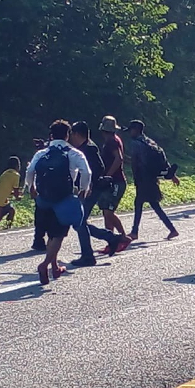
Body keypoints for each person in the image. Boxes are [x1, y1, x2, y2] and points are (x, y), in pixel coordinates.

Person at [26, 120, 91, 284]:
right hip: (62, 199)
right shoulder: (73, 153)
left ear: (51, 135)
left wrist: (31, 187)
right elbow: (86, 172)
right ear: (67, 135)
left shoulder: (42, 153)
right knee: (59, 235)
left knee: (50, 234)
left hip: (43, 199)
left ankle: (55, 267)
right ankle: (45, 264)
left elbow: (30, 170)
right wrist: (84, 189)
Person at [67, 121, 126, 267]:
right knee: (79, 222)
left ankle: (88, 256)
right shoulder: (84, 147)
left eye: (71, 135)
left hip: (91, 190)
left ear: (76, 134)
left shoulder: (89, 148)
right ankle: (111, 238)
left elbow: (99, 167)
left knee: (79, 221)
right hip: (89, 189)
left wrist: (89, 185)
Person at [125, 120, 180, 241]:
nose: (130, 133)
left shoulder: (135, 143)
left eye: (131, 130)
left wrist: (135, 177)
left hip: (143, 179)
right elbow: (163, 159)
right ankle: (172, 229)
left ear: (136, 130)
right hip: (152, 178)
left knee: (139, 203)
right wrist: (172, 175)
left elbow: (135, 162)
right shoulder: (150, 142)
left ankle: (135, 232)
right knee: (153, 205)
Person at [97, 117, 130, 251]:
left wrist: (108, 175)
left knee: (109, 212)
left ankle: (123, 237)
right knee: (106, 211)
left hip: (116, 181)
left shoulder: (112, 142)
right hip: (111, 181)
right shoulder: (111, 141)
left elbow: (119, 159)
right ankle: (111, 241)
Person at [0, 156, 21, 232]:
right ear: (17, 166)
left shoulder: (5, 173)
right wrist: (18, 197)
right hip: (0, 201)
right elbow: (16, 191)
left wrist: (13, 193)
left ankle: (7, 227)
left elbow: (4, 188)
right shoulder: (16, 175)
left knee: (11, 210)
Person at [29, 138, 50, 251]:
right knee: (46, 215)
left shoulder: (39, 157)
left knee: (40, 215)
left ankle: (38, 239)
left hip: (40, 188)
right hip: (46, 189)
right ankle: (42, 239)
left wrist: (31, 187)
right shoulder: (49, 156)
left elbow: (30, 172)